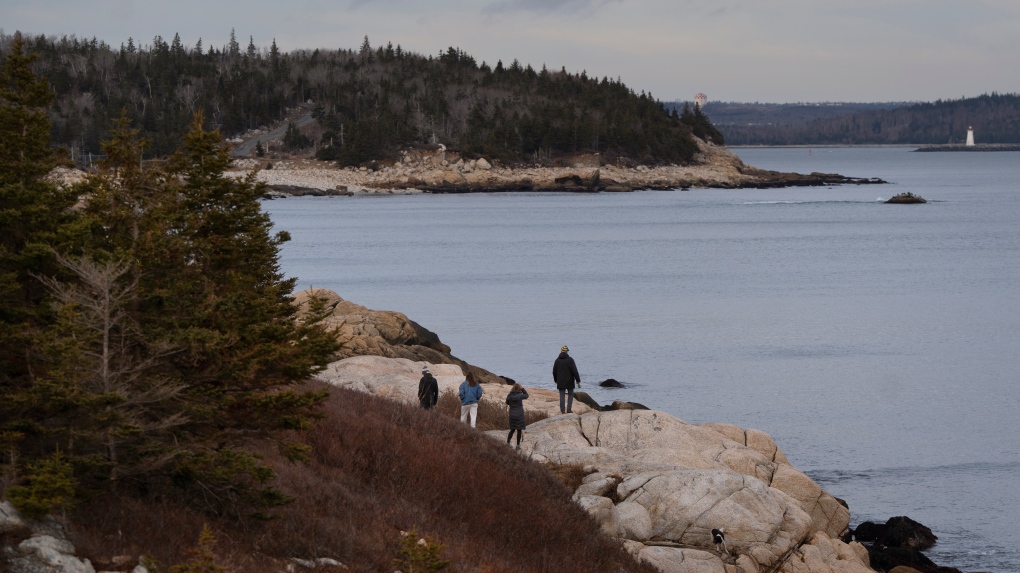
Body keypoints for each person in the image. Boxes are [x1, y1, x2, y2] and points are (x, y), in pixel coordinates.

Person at [552, 345, 580, 414]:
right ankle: (569, 409)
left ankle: (562, 411)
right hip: (570, 381)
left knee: (562, 396)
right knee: (570, 394)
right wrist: (578, 380)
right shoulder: (570, 360)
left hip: (560, 381)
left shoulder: (557, 360)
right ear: (566, 351)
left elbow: (554, 372)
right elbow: (575, 371)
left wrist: (556, 380)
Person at [505, 383, 529, 449]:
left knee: (512, 429)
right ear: (519, 388)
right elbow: (527, 395)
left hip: (512, 414)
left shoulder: (509, 395)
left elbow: (507, 402)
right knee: (519, 430)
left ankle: (507, 443)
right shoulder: (520, 395)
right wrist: (522, 389)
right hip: (519, 414)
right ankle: (518, 445)